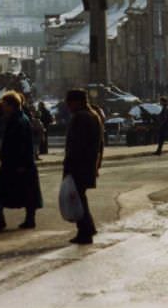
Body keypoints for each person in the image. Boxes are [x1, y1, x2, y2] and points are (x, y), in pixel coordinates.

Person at [0, 92, 42, 229]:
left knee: (2, 191)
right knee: (26, 193)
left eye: (4, 105)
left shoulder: (18, 120)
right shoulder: (19, 118)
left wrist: (21, 163)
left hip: (16, 163)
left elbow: (21, 144)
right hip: (18, 162)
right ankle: (27, 219)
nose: (2, 108)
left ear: (11, 105)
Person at [63, 89, 103, 245]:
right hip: (88, 164)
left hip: (78, 165)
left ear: (77, 102)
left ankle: (85, 232)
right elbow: (100, 145)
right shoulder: (93, 116)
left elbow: (76, 146)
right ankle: (88, 228)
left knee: (78, 200)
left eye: (69, 102)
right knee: (80, 198)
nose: (67, 106)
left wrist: (69, 168)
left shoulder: (80, 118)